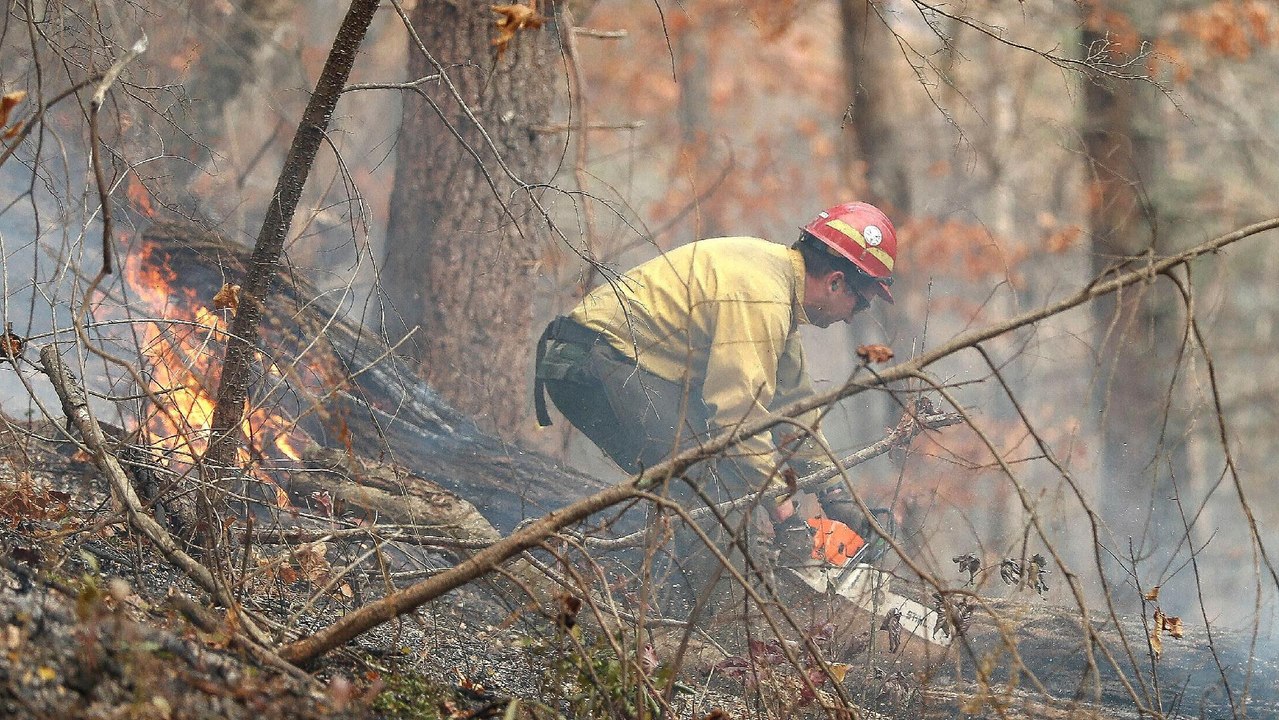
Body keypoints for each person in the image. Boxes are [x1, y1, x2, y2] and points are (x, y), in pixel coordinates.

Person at [533, 201, 897, 543]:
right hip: (590, 361)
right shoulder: (762, 298)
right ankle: (692, 601)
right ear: (835, 282)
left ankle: (667, 579)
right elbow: (739, 420)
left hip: (612, 360)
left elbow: (795, 408)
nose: (852, 316)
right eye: (860, 304)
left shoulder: (776, 286)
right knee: (709, 493)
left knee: (716, 485)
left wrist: (834, 493)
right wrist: (784, 514)